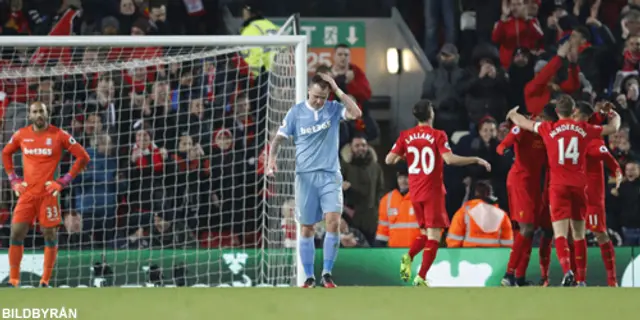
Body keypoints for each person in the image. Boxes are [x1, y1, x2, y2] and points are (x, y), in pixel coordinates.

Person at [506, 95, 621, 286]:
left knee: (559, 233)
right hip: (578, 186)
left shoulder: (548, 128)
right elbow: (613, 128)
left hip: (558, 187)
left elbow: (523, 123)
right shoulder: (584, 129)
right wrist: (613, 114)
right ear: (573, 110)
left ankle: (567, 271)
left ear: (557, 112)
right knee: (578, 234)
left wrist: (512, 114)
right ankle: (581, 280)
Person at [266, 73, 362, 288]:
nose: (319, 101)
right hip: (305, 178)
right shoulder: (296, 112)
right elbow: (279, 137)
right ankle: (309, 276)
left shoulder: (333, 108)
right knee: (307, 227)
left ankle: (327, 273)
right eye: (316, 96)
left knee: (333, 222)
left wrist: (337, 90)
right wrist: (272, 158)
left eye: (324, 97)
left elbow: (356, 112)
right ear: (309, 91)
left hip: (330, 175)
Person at [384, 99, 491, 286]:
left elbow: (389, 160)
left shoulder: (405, 136)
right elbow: (449, 159)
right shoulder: (438, 135)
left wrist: (408, 154)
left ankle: (408, 258)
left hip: (415, 192)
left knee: (426, 233)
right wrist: (475, 159)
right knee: (435, 237)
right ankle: (420, 277)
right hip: (432, 191)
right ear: (431, 114)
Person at [1, 101, 90, 287]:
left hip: (49, 195)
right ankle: (14, 279)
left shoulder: (59, 135)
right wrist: (14, 180)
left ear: (47, 113)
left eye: (42, 110)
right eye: (35, 111)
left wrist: (63, 181)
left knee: (50, 235)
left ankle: (45, 280)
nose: (39, 114)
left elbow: (83, 156)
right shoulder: (21, 135)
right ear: (30, 115)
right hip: (27, 194)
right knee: (16, 233)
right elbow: (5, 153)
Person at [497, 104, 555, 287]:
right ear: (542, 117)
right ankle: (508, 274)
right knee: (527, 228)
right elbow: (504, 144)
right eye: (549, 121)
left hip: (535, 185)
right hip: (519, 181)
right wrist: (504, 149)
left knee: (529, 230)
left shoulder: (547, 134)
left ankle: (520, 278)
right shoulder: (523, 127)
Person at [574, 101, 623, 287]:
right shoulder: (574, 133)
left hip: (592, 196)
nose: (572, 117)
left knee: (600, 234)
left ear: (583, 117)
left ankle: (612, 279)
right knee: (575, 235)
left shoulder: (591, 138)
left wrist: (617, 170)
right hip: (575, 192)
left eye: (576, 113)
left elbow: (606, 155)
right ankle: (579, 279)